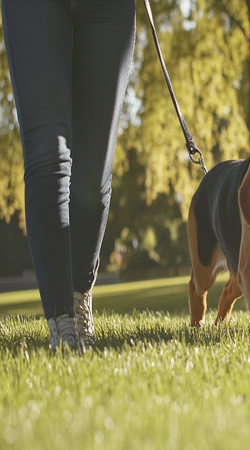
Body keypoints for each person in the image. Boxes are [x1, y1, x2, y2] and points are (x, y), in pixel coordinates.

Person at [2, 0, 136, 350]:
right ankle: (62, 321)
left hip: (108, 10)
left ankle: (79, 297)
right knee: (48, 152)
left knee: (92, 181)